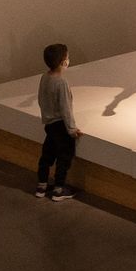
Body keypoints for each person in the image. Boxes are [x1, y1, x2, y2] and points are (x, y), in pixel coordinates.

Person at [36, 42, 80, 201]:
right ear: (63, 62)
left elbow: (41, 99)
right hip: (60, 126)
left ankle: (41, 186)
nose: (69, 60)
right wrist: (72, 129)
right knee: (64, 157)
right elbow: (65, 108)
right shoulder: (61, 83)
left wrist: (46, 116)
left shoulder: (44, 77)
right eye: (67, 58)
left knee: (47, 156)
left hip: (49, 125)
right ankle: (59, 189)